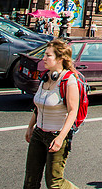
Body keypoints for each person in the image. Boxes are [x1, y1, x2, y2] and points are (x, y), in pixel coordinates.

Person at [23, 39, 80, 189]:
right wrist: (30, 127)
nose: (44, 58)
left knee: (54, 183)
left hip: (56, 135)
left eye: (48, 55)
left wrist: (61, 138)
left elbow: (73, 112)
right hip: (38, 134)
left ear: (60, 59)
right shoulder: (45, 77)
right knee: (30, 180)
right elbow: (38, 106)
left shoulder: (69, 80)